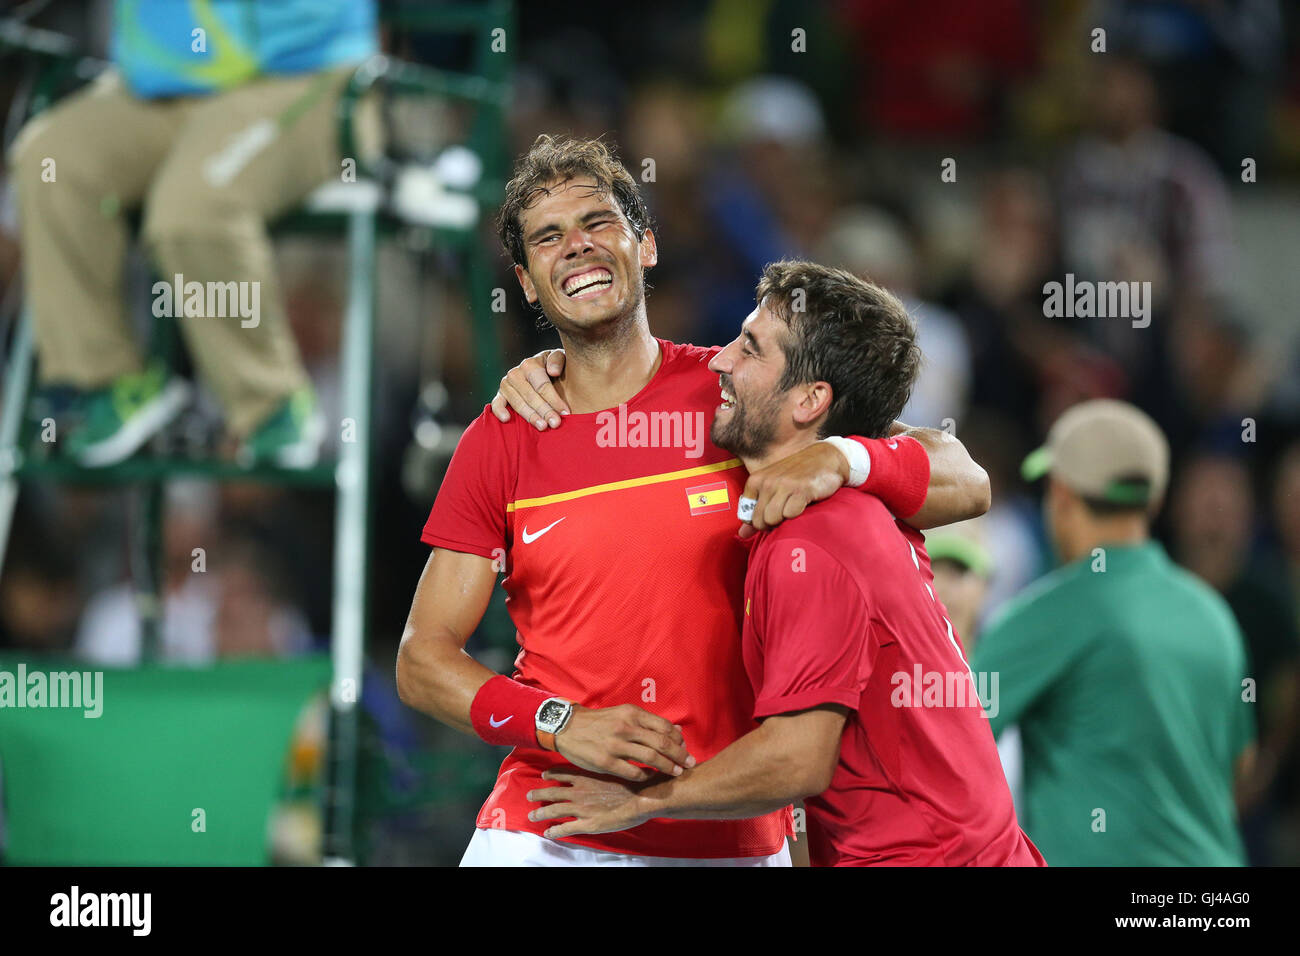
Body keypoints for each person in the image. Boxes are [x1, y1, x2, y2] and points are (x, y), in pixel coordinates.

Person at [396, 135, 991, 866]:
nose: (577, 248)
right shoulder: (507, 434)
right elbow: (422, 659)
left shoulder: (734, 396)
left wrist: (840, 455)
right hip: (549, 824)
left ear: (645, 245)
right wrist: (559, 723)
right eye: (549, 238)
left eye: (598, 223)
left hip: (728, 832)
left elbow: (965, 479)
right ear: (525, 281)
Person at [526, 260, 1042, 866]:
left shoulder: (813, 542)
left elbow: (797, 757)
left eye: (749, 348)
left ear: (810, 400)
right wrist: (543, 372)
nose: (720, 361)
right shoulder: (861, 496)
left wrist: (643, 803)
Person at [8, 0, 379, 468]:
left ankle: (270, 402)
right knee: (50, 164)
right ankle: (105, 383)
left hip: (302, 73)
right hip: (163, 83)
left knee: (192, 207)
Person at [971, 400, 1255, 865]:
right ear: (1156, 500)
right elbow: (1240, 764)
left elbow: (949, 741)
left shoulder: (1045, 614)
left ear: (1061, 494)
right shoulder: (1213, 614)